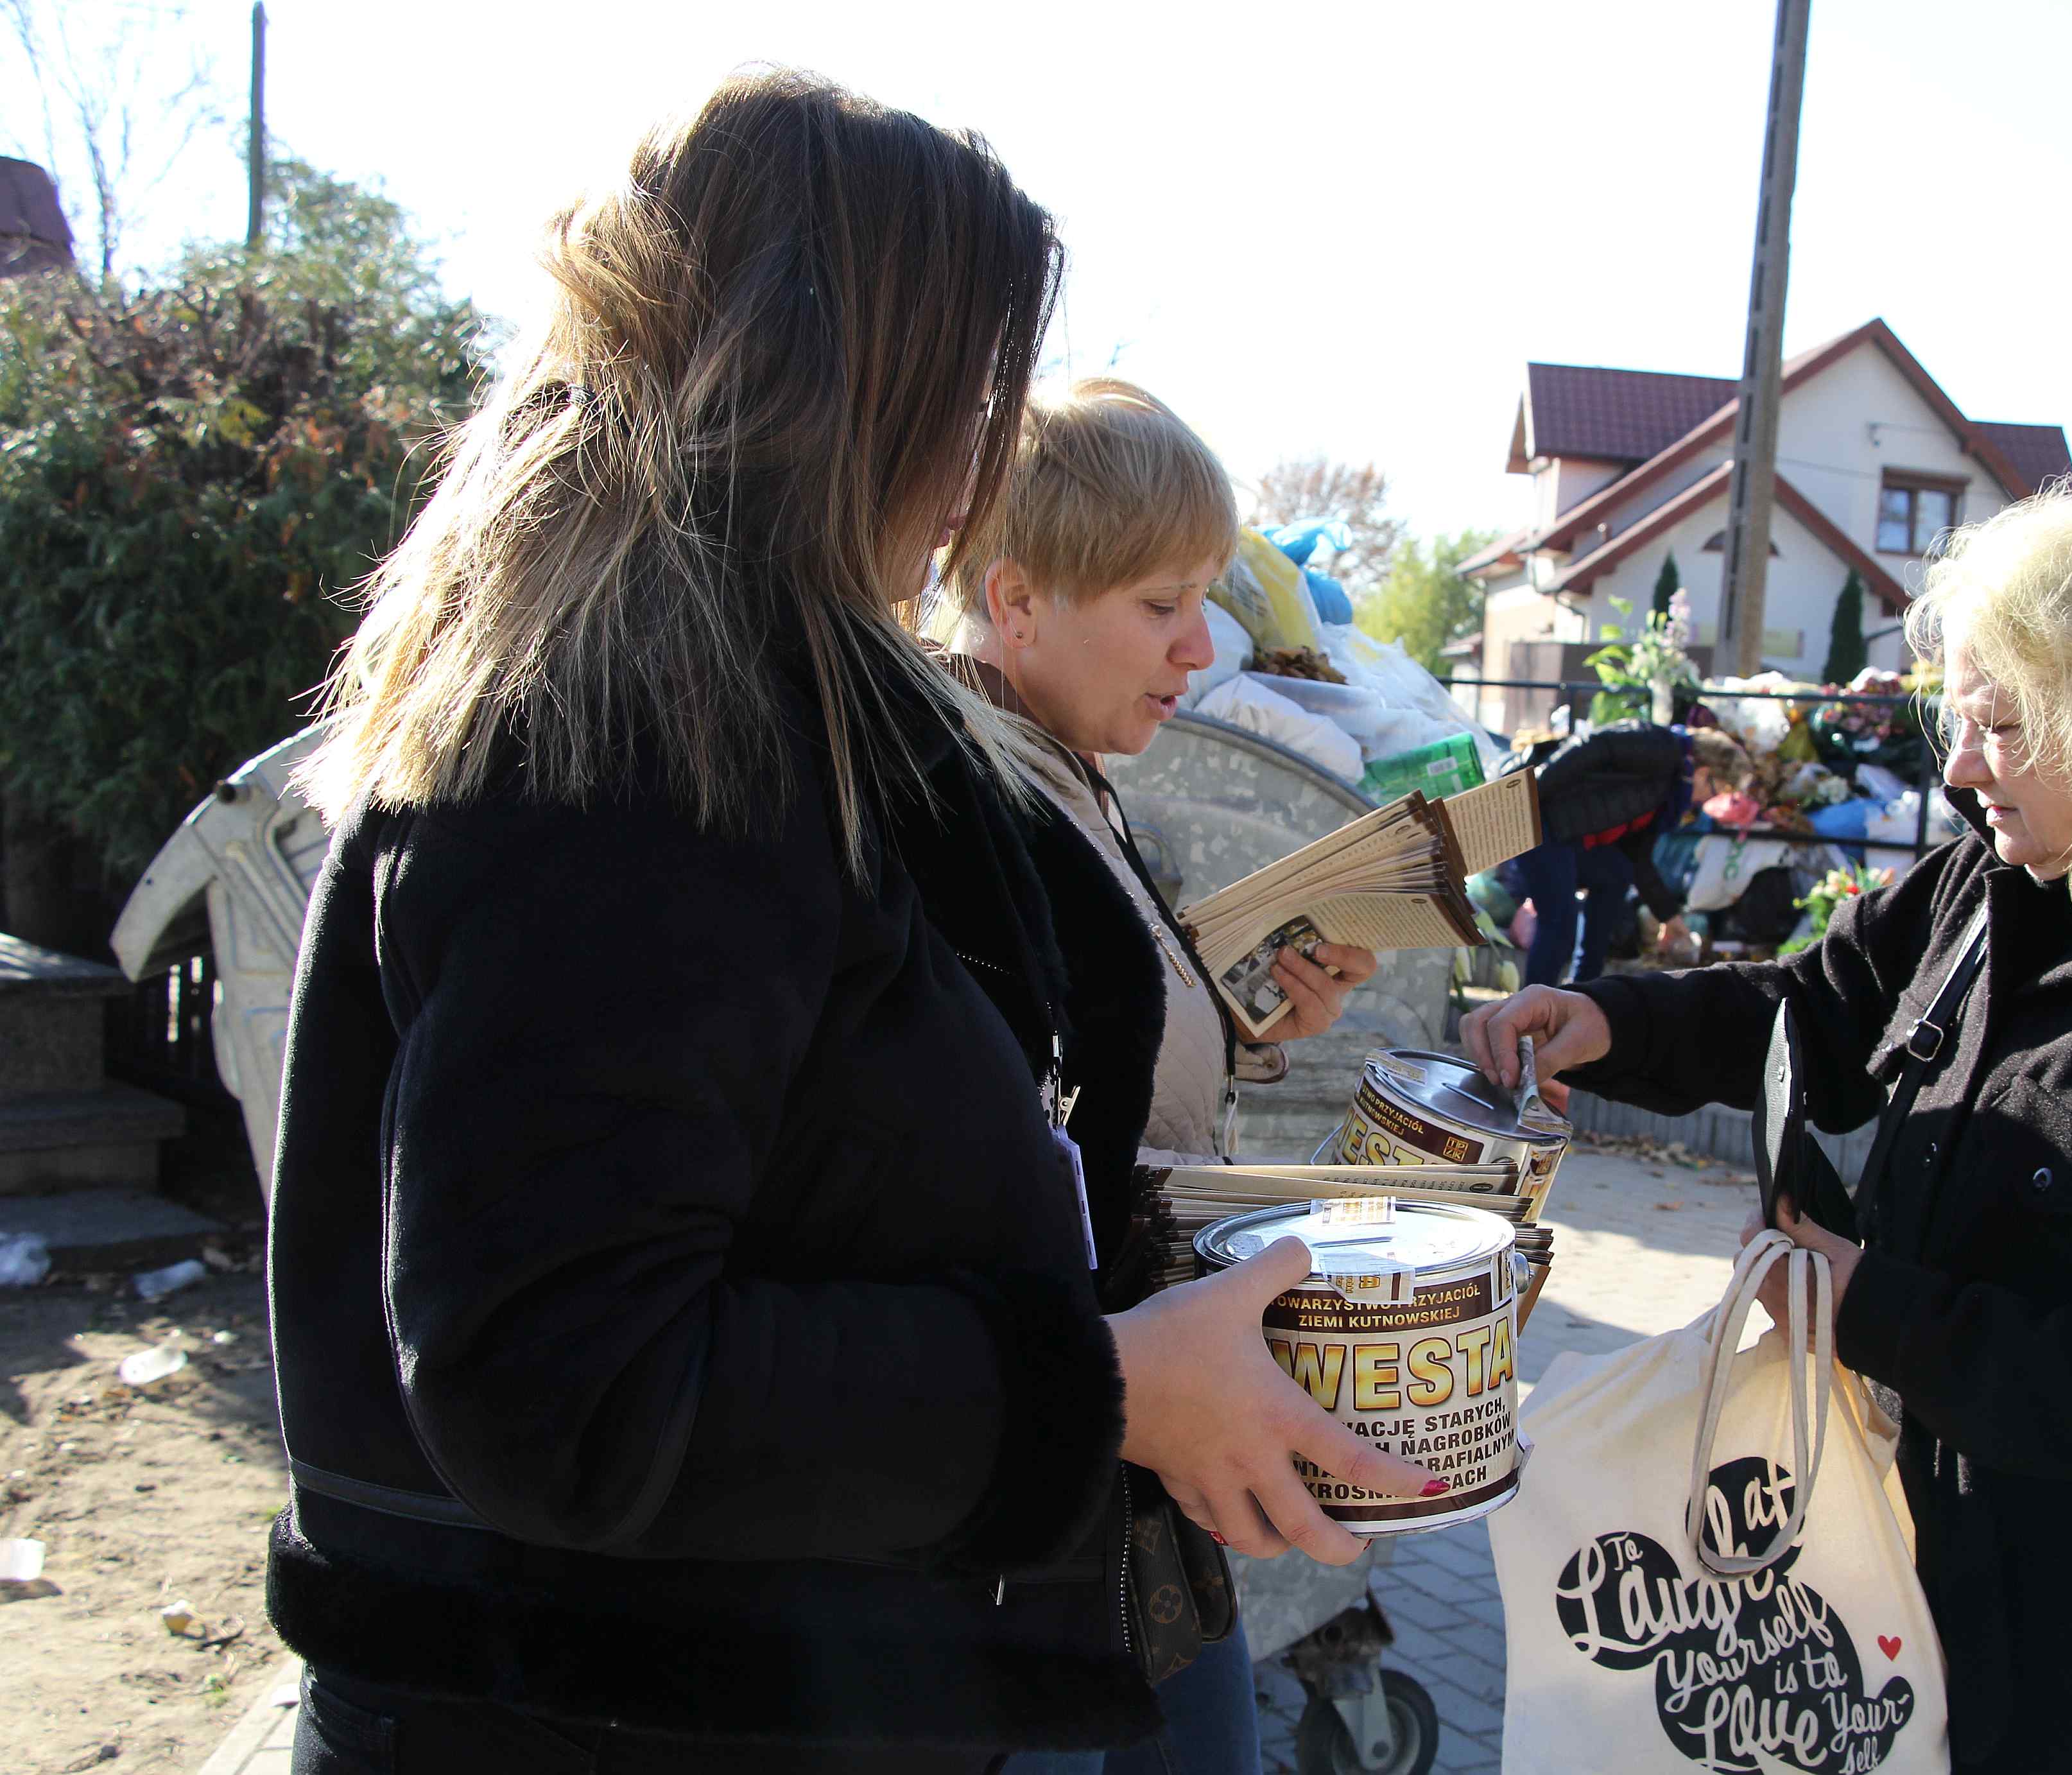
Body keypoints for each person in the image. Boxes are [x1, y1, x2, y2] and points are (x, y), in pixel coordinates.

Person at [267, 72, 1435, 1775]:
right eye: (969, 396)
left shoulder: (722, 702)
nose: (978, 471)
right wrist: (1104, 1386)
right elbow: (573, 1381)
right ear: (842, 387)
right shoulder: (644, 743)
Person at [1463, 486, 2072, 1774]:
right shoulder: (1995, 880)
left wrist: (1877, 1308)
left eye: (2003, 722)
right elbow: (1812, 1008)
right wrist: (1607, 1019)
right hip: (1954, 1598)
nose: (1959, 764)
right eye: (1958, 716)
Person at [933, 377, 1381, 1774]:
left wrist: (1240, 1020)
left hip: (1125, 1438)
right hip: (1059, 1468)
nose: (1202, 646)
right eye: (1159, 604)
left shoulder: (1058, 766)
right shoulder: (962, 805)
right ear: (1017, 601)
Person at [1505, 721, 1746, 986]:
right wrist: (1533, 790)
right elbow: (1592, 745)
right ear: (1703, 773)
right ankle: (1531, 1014)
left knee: (1616, 873)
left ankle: (1582, 991)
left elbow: (1637, 860)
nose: (1705, 802)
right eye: (1714, 792)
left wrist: (1670, 917)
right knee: (1560, 922)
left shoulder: (1668, 794)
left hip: (1566, 833)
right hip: (1540, 816)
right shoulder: (1660, 746)